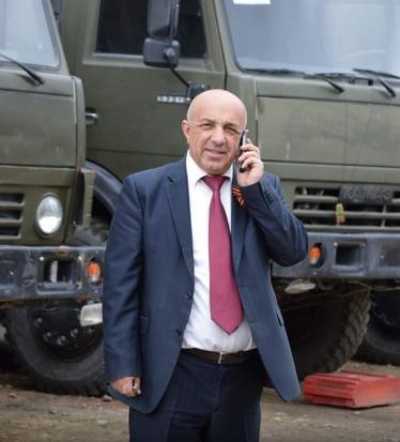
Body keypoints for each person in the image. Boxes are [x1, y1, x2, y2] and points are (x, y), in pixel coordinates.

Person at [103, 89, 308, 442]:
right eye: (207, 125)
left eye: (230, 129)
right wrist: (122, 363)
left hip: (241, 378)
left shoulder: (260, 188)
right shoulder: (145, 190)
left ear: (244, 139)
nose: (218, 138)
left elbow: (293, 252)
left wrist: (257, 193)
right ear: (187, 130)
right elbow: (120, 285)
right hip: (170, 372)